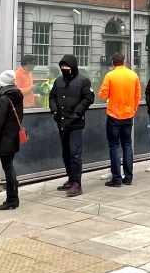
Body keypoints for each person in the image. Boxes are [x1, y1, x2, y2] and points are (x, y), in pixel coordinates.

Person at [50, 55, 94, 197]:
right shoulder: (58, 81)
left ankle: (77, 183)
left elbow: (89, 98)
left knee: (75, 153)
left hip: (75, 123)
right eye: (62, 67)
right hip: (62, 121)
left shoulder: (83, 81)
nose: (64, 69)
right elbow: (52, 97)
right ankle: (70, 178)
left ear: (73, 67)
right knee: (66, 152)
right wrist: (55, 110)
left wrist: (77, 112)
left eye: (67, 67)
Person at [99, 53, 141, 188]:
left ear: (113, 62)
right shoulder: (133, 75)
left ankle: (116, 178)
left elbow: (102, 94)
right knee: (127, 145)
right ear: (124, 61)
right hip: (128, 114)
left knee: (114, 146)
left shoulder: (110, 75)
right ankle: (128, 177)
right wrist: (133, 109)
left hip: (114, 115)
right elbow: (137, 95)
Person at [0, 70, 24, 210]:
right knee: (9, 166)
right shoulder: (16, 96)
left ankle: (11, 199)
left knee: (8, 168)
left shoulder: (4, 99)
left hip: (4, 139)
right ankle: (14, 198)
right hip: (12, 137)